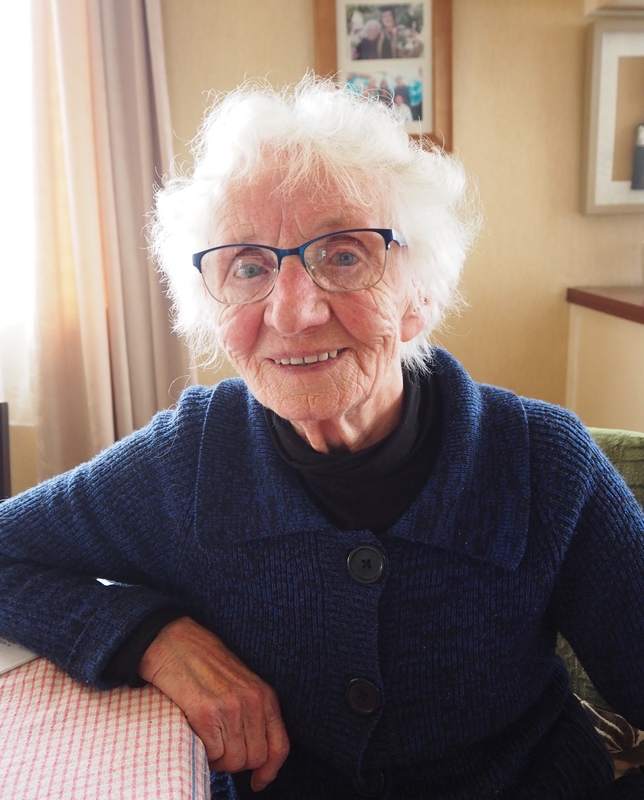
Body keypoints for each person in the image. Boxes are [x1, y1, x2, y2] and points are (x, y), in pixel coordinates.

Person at [1, 76, 644, 800]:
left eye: (343, 255)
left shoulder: (541, 463)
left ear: (419, 293)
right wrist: (150, 638)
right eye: (247, 266)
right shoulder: (187, 462)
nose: (293, 311)